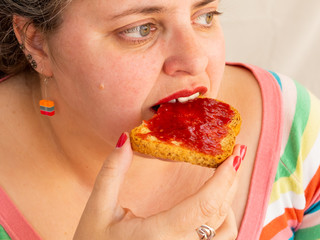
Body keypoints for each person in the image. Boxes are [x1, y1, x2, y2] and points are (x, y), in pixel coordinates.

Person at [0, 0, 319, 239]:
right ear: (37, 43)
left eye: (205, 16)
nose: (196, 60)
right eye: (140, 30)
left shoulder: (296, 130)